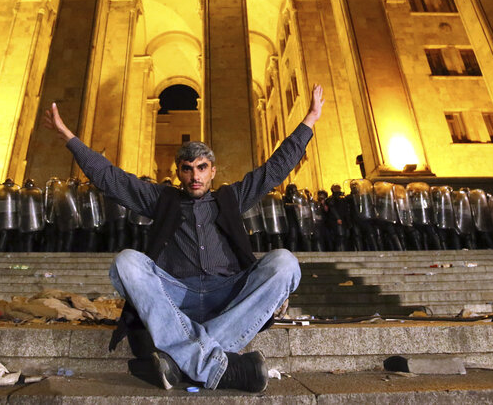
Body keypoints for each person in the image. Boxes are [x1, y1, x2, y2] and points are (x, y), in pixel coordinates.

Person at [41, 84, 324, 392]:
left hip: (226, 293)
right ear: (179, 172)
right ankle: (213, 365)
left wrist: (308, 121)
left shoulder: (231, 198)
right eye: (188, 169)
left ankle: (181, 361)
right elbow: (110, 177)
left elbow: (274, 169)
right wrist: (69, 138)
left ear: (213, 171)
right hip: (175, 295)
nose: (195, 176)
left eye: (202, 168)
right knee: (126, 262)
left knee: (285, 262)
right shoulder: (162, 199)